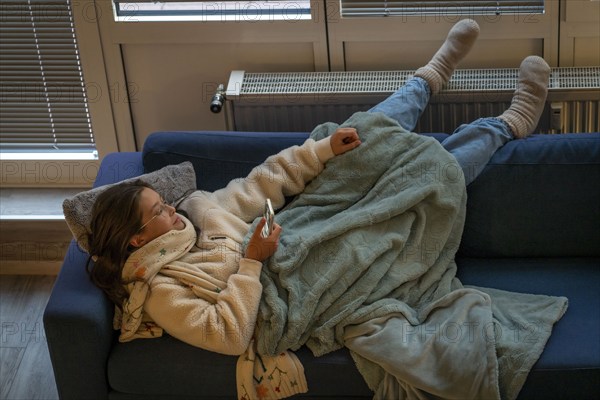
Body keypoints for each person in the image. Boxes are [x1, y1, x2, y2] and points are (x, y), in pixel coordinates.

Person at [87, 19, 550, 358]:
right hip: (291, 280)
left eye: (164, 202)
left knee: (359, 139)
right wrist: (251, 261)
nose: (172, 208)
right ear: (136, 239)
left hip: (302, 222)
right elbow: (225, 335)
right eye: (159, 211)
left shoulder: (199, 209)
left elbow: (263, 182)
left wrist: (323, 150)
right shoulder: (161, 289)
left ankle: (431, 74)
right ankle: (508, 124)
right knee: (424, 184)